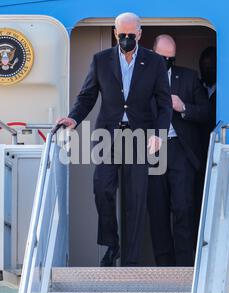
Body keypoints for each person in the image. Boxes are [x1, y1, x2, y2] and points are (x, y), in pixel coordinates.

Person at [56, 13, 172, 267]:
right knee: (102, 189)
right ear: (114, 33)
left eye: (132, 35)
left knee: (136, 199)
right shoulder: (101, 60)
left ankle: (130, 261)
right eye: (123, 35)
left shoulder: (154, 63)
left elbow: (164, 104)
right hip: (107, 135)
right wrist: (74, 119)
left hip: (140, 137)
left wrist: (159, 135)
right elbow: (87, 96)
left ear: (140, 34)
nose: (127, 39)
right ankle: (112, 244)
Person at [147, 34, 210, 267]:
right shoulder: (139, 80)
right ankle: (164, 269)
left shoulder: (189, 78)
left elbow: (207, 113)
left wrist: (183, 106)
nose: (166, 63)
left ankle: (185, 268)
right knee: (157, 209)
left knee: (183, 207)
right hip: (153, 151)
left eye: (171, 59)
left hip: (181, 151)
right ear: (152, 55)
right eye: (162, 58)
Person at [193, 46, 217, 252]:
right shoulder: (197, 87)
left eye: (210, 66)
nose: (206, 70)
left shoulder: (226, 91)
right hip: (196, 157)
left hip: (214, 157)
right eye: (203, 66)